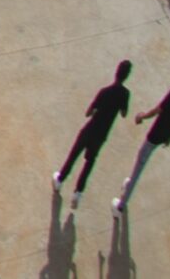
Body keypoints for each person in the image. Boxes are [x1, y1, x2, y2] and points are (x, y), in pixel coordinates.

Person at [115, 62, 170, 213]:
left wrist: (141, 116)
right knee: (141, 162)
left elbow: (157, 111)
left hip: (155, 134)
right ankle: (128, 185)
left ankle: (122, 203)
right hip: (165, 134)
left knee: (139, 165)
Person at [56, 61, 133, 199]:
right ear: (126, 76)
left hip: (90, 128)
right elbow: (124, 113)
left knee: (74, 155)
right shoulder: (125, 94)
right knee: (89, 161)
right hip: (102, 134)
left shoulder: (104, 92)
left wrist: (94, 111)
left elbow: (89, 112)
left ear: (116, 73)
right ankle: (78, 192)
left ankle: (60, 180)